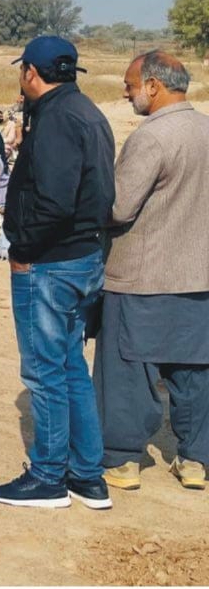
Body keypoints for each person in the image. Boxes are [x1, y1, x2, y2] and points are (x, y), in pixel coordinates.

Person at [0, 36, 114, 509]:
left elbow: (56, 201)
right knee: (69, 367)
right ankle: (86, 474)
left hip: (51, 262)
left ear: (31, 73)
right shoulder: (84, 111)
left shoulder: (59, 119)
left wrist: (24, 248)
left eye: (21, 70)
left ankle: (48, 476)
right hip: (81, 257)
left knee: (43, 371)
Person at [97, 51, 209, 493]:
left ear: (153, 86)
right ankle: (197, 459)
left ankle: (123, 461)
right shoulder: (206, 128)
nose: (126, 93)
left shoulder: (152, 137)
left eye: (129, 85)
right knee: (195, 372)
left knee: (127, 369)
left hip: (144, 275)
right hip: (199, 275)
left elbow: (119, 207)